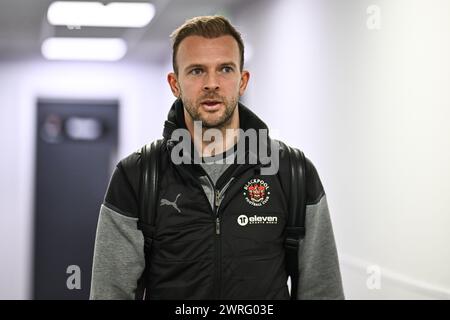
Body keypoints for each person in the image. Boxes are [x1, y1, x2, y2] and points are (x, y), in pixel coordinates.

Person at [90, 15, 344, 300]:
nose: (212, 83)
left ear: (242, 80)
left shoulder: (294, 173)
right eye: (197, 71)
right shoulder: (137, 176)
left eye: (225, 69)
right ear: (175, 84)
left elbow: (322, 292)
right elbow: (110, 293)